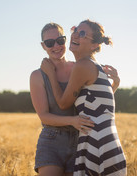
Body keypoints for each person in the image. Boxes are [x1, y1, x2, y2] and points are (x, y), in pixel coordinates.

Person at [41, 19, 127, 176]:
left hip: (96, 143)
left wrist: (51, 73)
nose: (75, 35)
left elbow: (63, 103)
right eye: (74, 30)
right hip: (106, 141)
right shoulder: (94, 65)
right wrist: (115, 85)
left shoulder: (82, 66)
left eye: (82, 33)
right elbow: (96, 104)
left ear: (94, 45)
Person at [30, 23, 95, 176]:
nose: (56, 46)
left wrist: (114, 85)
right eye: (49, 43)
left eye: (60, 40)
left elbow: (94, 101)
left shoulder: (79, 68)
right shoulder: (37, 76)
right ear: (43, 46)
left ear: (66, 40)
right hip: (52, 140)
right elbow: (43, 116)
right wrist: (72, 120)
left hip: (81, 141)